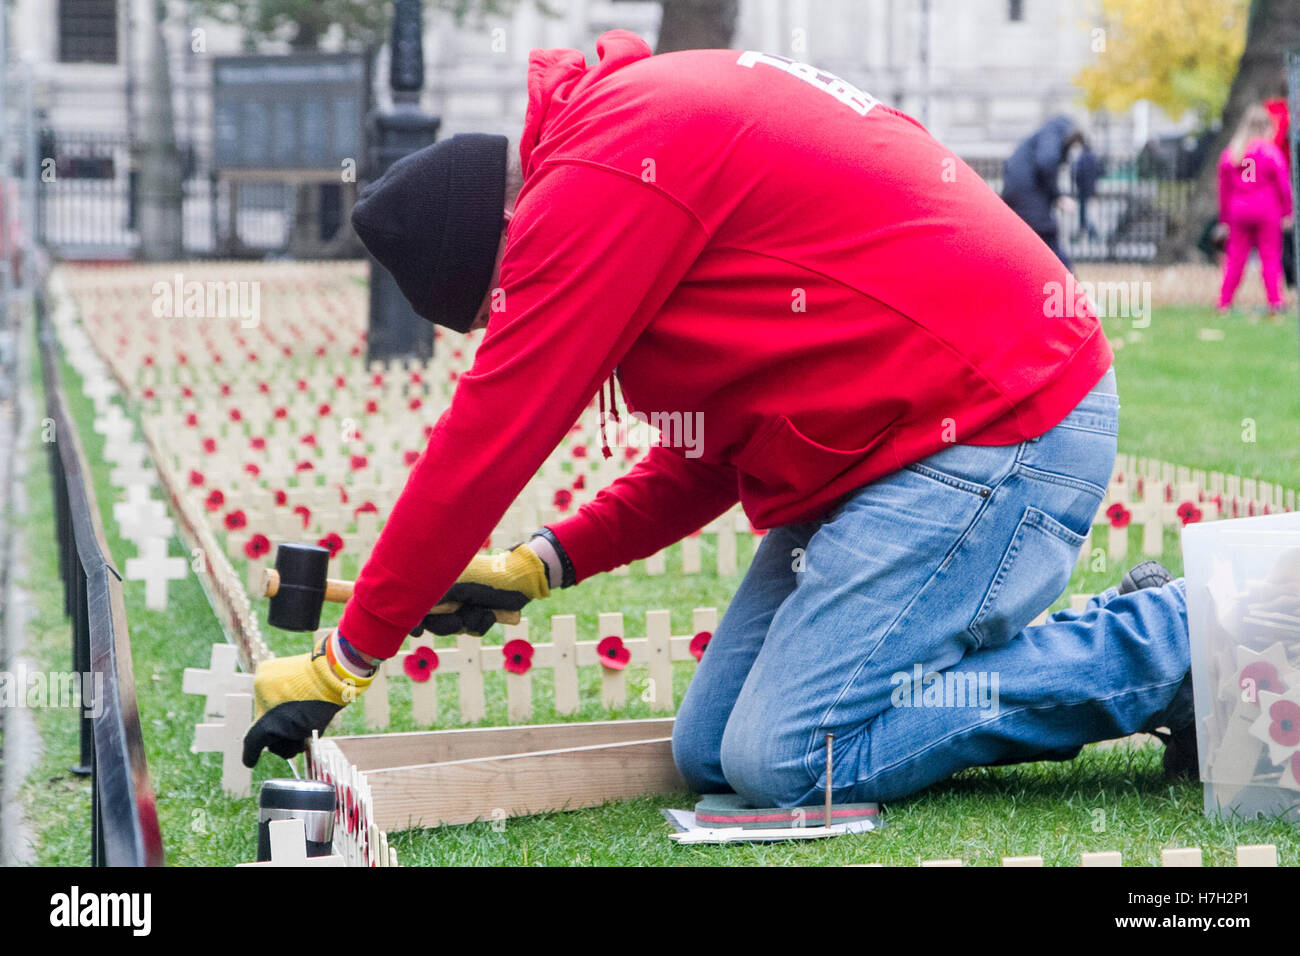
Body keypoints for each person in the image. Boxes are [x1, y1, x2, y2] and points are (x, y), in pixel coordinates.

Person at [242, 32, 1194, 806]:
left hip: (1006, 423)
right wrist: (544, 561)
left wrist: (347, 657)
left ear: (503, 243)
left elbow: (488, 438)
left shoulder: (596, 184)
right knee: (712, 752)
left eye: (495, 306)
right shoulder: (614, 157)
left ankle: (1173, 638)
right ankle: (1092, 632)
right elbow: (710, 452)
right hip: (907, 443)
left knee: (791, 761)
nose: (510, 319)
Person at [1217, 104, 1293, 319]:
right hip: (1266, 211)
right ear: (1267, 127)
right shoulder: (1270, 152)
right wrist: (1287, 211)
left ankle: (1224, 302)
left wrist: (1224, 218)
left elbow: (1224, 188)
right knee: (1270, 257)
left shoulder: (1233, 152)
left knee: (1235, 258)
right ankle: (1275, 302)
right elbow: (1283, 185)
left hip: (1239, 211)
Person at [1001, 114, 1086, 270]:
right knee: (1047, 237)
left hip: (1019, 192)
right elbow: (1046, 161)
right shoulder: (1053, 133)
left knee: (1022, 242)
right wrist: (1058, 196)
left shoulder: (1043, 136)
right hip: (1028, 195)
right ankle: (1069, 284)